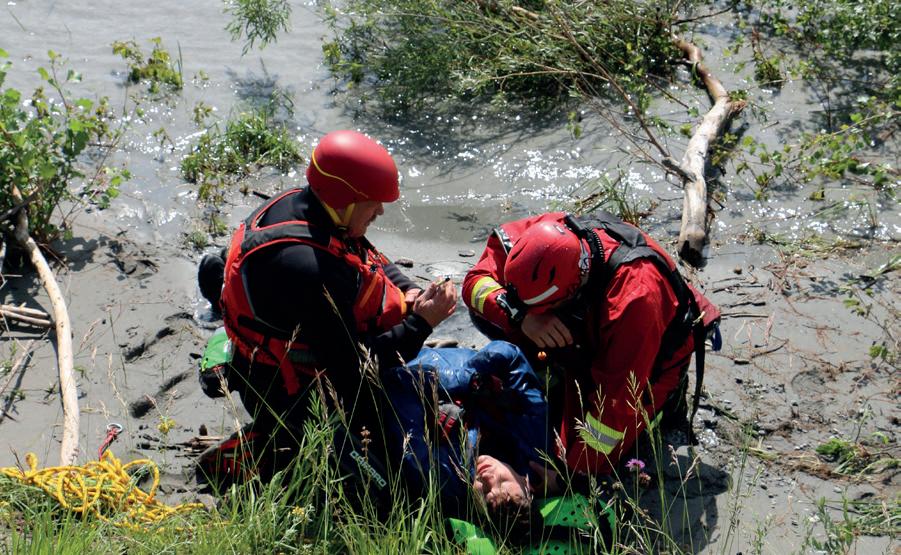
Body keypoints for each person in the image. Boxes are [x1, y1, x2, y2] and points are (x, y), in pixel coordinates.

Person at [196, 130, 457, 496]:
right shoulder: (307, 269)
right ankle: (272, 447)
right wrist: (421, 324)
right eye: (373, 203)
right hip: (289, 391)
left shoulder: (307, 206)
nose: (381, 211)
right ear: (345, 200)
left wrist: (409, 290)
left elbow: (367, 254)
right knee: (397, 487)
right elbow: (356, 375)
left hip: (299, 344)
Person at [462, 210, 720, 489]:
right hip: (590, 321)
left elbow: (616, 405)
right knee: (485, 314)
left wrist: (572, 473)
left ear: (573, 290)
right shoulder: (541, 239)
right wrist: (520, 316)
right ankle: (551, 375)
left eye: (542, 308)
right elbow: (475, 282)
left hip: (654, 353)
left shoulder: (633, 301)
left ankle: (670, 401)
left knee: (590, 452)